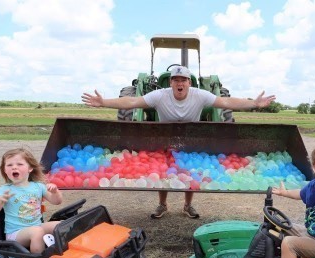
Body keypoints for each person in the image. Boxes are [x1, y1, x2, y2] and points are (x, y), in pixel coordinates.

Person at [82, 65, 276, 219]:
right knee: (164, 170)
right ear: (171, 82)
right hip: (164, 136)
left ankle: (188, 205)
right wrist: (104, 102)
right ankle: (162, 204)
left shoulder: (200, 95)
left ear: (189, 82)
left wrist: (253, 104)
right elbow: (132, 102)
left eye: (183, 79)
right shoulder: (160, 95)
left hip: (191, 138)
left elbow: (226, 103)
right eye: (176, 80)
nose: (179, 83)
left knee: (189, 171)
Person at [0, 148, 63, 254]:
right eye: (9, 165)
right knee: (37, 232)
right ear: (5, 170)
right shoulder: (5, 190)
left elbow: (56, 202)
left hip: (36, 226)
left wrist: (55, 192)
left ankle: (63, 253)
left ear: (30, 168)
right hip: (16, 234)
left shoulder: (38, 186)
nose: (14, 167)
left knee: (61, 225)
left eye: (19, 164)